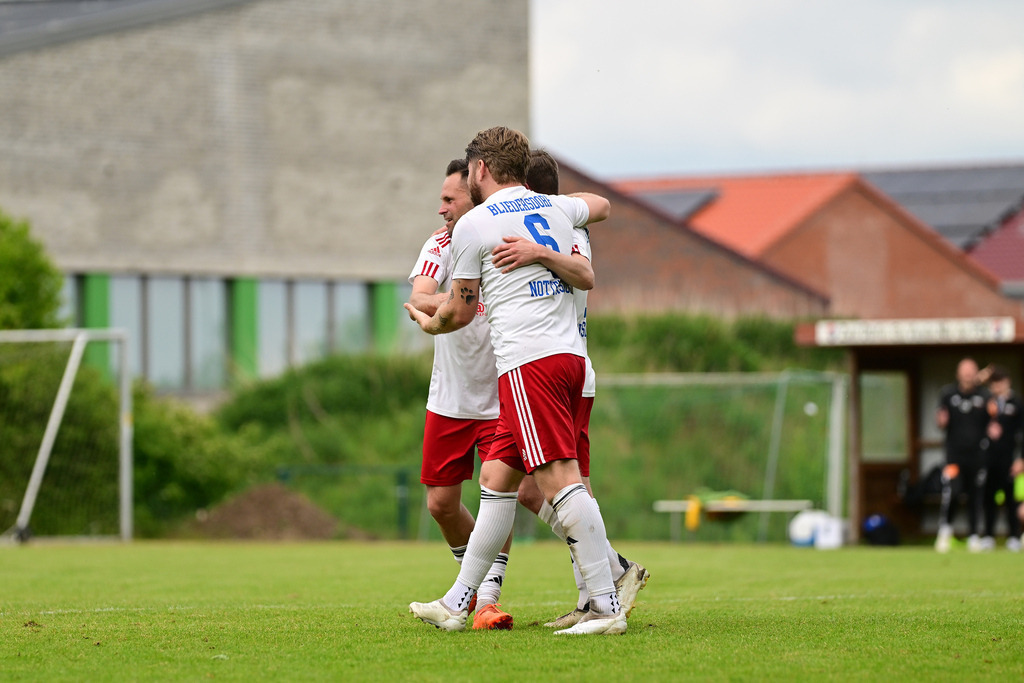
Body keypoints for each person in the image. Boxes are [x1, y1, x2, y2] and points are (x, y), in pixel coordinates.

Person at [405, 126, 626, 635]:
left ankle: (606, 604)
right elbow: (603, 205)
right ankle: (460, 601)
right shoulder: (554, 208)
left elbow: (458, 313)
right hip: (569, 358)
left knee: (559, 483)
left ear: (480, 169)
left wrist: (428, 323)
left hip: (531, 362)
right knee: (497, 483)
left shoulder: (476, 224)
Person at [492, 149, 649, 628]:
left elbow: (584, 270)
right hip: (571, 369)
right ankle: (601, 587)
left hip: (550, 367)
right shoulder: (567, 223)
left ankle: (604, 593)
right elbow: (600, 204)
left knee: (545, 485)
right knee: (537, 490)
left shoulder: (559, 233)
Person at [406, 159, 513, 630]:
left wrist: (452, 303)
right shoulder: (439, 243)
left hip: (499, 394)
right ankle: (472, 585)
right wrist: (460, 299)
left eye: (450, 199)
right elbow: (420, 296)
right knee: (440, 504)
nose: (441, 208)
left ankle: (483, 600)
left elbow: (440, 305)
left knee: (501, 492)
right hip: (449, 397)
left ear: (474, 197)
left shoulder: (499, 240)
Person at [934, 358, 991, 553]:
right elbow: (941, 420)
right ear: (958, 374)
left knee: (976, 496)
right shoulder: (948, 394)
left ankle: (974, 536)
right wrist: (941, 420)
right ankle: (945, 532)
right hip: (954, 456)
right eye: (964, 371)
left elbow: (993, 421)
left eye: (971, 371)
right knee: (954, 492)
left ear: (976, 373)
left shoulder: (984, 396)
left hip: (977, 456)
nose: (967, 374)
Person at [980, 367, 1023, 551]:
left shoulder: (1017, 404)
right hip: (990, 459)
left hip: (1010, 459)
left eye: (1000, 383)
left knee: (1011, 499)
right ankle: (988, 535)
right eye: (994, 384)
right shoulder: (987, 402)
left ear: (1008, 382)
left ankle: (1013, 536)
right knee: (989, 498)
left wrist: (1021, 459)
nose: (997, 387)